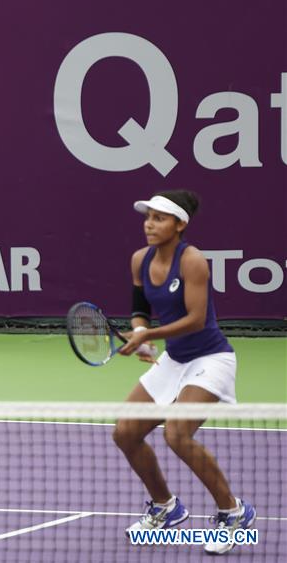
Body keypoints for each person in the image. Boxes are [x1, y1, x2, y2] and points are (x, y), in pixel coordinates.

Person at [111, 190, 255, 555]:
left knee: (177, 433)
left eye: (159, 218)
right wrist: (142, 334)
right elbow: (139, 308)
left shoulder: (193, 262)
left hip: (210, 359)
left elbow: (195, 319)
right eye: (148, 217)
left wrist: (149, 334)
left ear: (179, 225)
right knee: (125, 431)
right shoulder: (139, 260)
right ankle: (166, 507)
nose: (149, 223)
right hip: (174, 359)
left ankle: (233, 511)